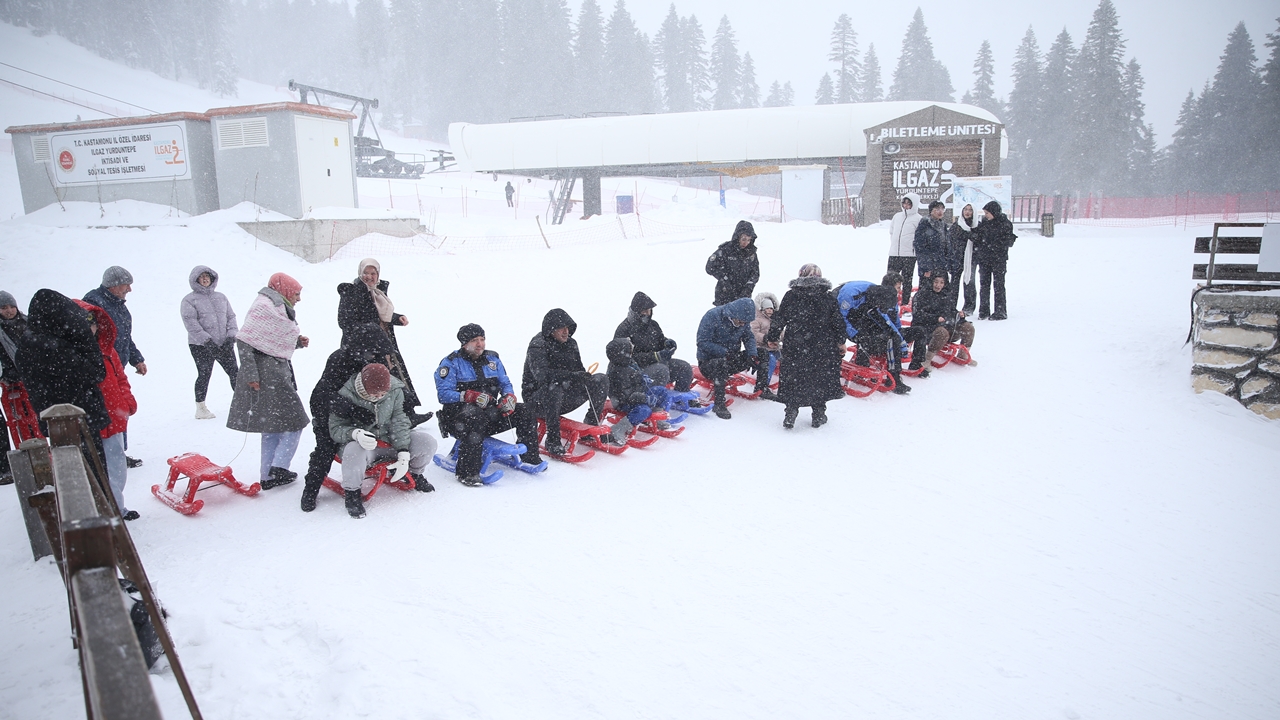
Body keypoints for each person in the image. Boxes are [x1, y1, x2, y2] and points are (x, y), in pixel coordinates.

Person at [301, 323, 407, 512]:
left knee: (395, 435)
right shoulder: (339, 359)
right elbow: (323, 395)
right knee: (326, 449)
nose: (377, 357)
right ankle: (311, 488)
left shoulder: (377, 358)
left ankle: (405, 469)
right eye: (373, 353)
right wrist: (352, 409)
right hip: (329, 412)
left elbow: (388, 388)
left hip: (368, 411)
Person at [226, 273, 310, 491]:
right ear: (285, 290)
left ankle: (267, 475)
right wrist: (251, 376)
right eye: (297, 293)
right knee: (295, 421)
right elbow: (245, 341)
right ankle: (279, 467)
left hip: (275, 374)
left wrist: (296, 342)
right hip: (269, 377)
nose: (299, 298)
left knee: (271, 425)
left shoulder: (276, 306)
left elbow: (268, 338)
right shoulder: (265, 306)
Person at [15, 289, 111, 482]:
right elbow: (96, 372)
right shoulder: (55, 346)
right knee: (93, 478)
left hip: (56, 422)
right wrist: (84, 338)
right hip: (78, 420)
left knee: (71, 477)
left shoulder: (28, 344)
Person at [436, 323, 542, 486]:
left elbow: (505, 383)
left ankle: (530, 458)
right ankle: (468, 472)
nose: (480, 344)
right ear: (464, 344)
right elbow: (443, 394)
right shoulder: (451, 363)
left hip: (489, 415)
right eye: (474, 340)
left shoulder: (493, 359)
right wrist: (467, 396)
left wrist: (509, 397)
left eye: (482, 339)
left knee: (525, 410)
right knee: (474, 416)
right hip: (459, 420)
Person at [329, 363, 437, 519]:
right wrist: (355, 433)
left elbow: (400, 421)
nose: (380, 396)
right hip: (364, 447)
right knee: (354, 451)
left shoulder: (395, 390)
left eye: (383, 393)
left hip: (390, 441)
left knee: (427, 442)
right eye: (375, 393)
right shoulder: (346, 394)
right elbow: (335, 428)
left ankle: (415, 474)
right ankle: (352, 492)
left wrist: (403, 451)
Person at [336, 258, 425, 421]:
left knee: (395, 378)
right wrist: (369, 331)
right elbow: (344, 321)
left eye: (373, 273)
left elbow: (380, 314)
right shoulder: (351, 292)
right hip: (363, 348)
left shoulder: (378, 292)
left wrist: (397, 318)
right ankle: (383, 418)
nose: (369, 277)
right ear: (360, 273)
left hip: (383, 344)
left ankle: (407, 414)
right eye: (366, 273)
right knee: (377, 383)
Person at [75, 299, 139, 520]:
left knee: (117, 466)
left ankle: (117, 507)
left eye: (92, 323)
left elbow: (121, 378)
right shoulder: (73, 353)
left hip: (114, 417)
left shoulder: (108, 349)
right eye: (84, 324)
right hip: (92, 421)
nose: (90, 329)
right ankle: (103, 510)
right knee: (94, 467)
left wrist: (126, 401)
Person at [764, 264, 846, 429]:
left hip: (796, 344)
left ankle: (791, 412)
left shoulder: (791, 296)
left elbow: (780, 318)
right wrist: (841, 341)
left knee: (795, 378)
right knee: (820, 379)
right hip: (823, 345)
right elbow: (837, 322)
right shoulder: (827, 297)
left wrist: (772, 337)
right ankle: (818, 414)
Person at [522, 309, 610, 456]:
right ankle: (552, 439)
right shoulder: (538, 345)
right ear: (551, 330)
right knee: (553, 388)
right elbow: (542, 376)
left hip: (563, 396)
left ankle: (591, 424)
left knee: (600, 379)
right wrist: (572, 376)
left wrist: (583, 376)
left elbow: (577, 371)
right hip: (538, 401)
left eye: (567, 328)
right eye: (561, 328)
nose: (566, 331)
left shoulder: (571, 344)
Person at [84, 266, 145, 467]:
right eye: (126, 285)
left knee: (121, 408)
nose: (129, 289)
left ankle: (118, 453)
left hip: (117, 366)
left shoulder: (119, 306)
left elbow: (125, 336)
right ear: (113, 285)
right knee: (111, 411)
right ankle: (105, 455)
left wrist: (136, 359)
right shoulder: (94, 303)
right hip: (102, 369)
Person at [180, 265, 238, 420]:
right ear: (195, 280)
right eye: (201, 276)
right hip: (200, 345)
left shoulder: (221, 297)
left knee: (235, 372)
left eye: (207, 276)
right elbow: (191, 323)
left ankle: (244, 404)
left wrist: (231, 336)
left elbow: (231, 317)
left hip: (224, 343)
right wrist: (207, 341)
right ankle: (201, 408)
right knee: (204, 374)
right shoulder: (189, 300)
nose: (205, 279)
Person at [835, 280, 911, 395]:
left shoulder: (879, 296)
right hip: (840, 306)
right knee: (852, 335)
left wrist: (900, 341)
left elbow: (886, 322)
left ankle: (888, 374)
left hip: (860, 307)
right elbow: (840, 318)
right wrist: (854, 334)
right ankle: (833, 371)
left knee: (884, 334)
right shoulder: (851, 294)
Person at [613, 291, 694, 397]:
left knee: (684, 367)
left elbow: (660, 340)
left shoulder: (653, 325)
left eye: (649, 310)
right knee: (662, 370)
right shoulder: (624, 330)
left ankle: (681, 396)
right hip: (636, 372)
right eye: (644, 311)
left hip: (658, 364)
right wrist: (655, 356)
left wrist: (667, 344)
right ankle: (653, 399)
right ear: (636, 311)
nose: (647, 313)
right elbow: (624, 359)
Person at [695, 297, 761, 419]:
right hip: (709, 363)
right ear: (733, 315)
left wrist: (752, 354)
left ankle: (762, 388)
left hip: (731, 359)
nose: (743, 325)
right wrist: (725, 352)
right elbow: (702, 342)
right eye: (741, 322)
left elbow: (749, 337)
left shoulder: (743, 321)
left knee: (762, 353)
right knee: (721, 363)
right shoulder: (712, 316)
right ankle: (719, 403)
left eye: (745, 323)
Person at [605, 337, 672, 444]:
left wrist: (642, 378)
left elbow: (635, 378)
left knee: (662, 391)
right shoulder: (618, 372)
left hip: (638, 394)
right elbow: (626, 396)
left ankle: (657, 417)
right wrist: (645, 398)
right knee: (644, 410)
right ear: (623, 353)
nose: (632, 350)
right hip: (624, 403)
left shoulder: (628, 362)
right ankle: (619, 428)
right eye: (629, 349)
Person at [907, 274, 976, 376]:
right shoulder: (922, 295)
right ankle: (927, 358)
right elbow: (918, 315)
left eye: (941, 282)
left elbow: (951, 311)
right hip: (926, 328)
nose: (938, 285)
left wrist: (959, 315)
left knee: (968, 328)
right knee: (942, 332)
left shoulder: (945, 295)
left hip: (946, 326)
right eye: (936, 282)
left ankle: (963, 354)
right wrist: (935, 318)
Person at [0, 290, 28, 484]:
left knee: (34, 421)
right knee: (18, 423)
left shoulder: (27, 323)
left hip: (30, 381)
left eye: (12, 306)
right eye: (4, 308)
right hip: (11, 384)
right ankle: (24, 462)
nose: (9, 311)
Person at [972, 201, 1016, 320]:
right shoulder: (984, 223)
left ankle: (1000, 311)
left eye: (987, 213)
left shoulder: (1005, 223)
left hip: (998, 259)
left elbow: (1007, 241)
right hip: (984, 259)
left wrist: (995, 243)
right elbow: (979, 238)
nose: (985, 215)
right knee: (984, 285)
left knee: (998, 285)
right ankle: (984, 310)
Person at [705, 220, 760, 306]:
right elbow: (710, 267)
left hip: (743, 296)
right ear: (737, 237)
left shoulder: (751, 254)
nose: (746, 243)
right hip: (724, 295)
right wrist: (724, 278)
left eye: (749, 240)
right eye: (743, 239)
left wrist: (749, 287)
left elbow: (755, 273)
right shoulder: (726, 250)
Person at [887, 192, 923, 293]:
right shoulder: (897, 216)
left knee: (907, 280)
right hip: (894, 253)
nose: (906, 206)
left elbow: (920, 237)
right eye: (904, 203)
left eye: (909, 203)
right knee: (890, 279)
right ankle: (889, 297)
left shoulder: (918, 219)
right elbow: (892, 231)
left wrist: (912, 248)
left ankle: (905, 299)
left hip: (909, 255)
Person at [914, 200, 952, 291]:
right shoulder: (925, 224)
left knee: (943, 291)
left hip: (941, 265)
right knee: (927, 291)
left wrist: (948, 263)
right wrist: (926, 267)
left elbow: (946, 246)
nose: (940, 211)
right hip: (929, 266)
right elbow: (920, 247)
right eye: (937, 209)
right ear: (931, 211)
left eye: (942, 209)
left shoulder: (943, 225)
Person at [749, 292, 780, 400]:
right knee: (770, 360)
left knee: (786, 358)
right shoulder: (756, 320)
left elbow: (780, 333)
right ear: (762, 309)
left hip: (774, 347)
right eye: (768, 308)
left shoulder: (774, 321)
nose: (770, 311)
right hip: (760, 348)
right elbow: (753, 333)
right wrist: (766, 339)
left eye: (771, 308)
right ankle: (764, 384)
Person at [952, 203, 979, 314]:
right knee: (954, 283)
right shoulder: (957, 225)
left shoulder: (977, 226)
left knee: (969, 282)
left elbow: (979, 241)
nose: (967, 212)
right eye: (965, 209)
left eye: (970, 210)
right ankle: (951, 306)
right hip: (957, 258)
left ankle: (969, 307)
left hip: (971, 258)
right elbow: (950, 242)